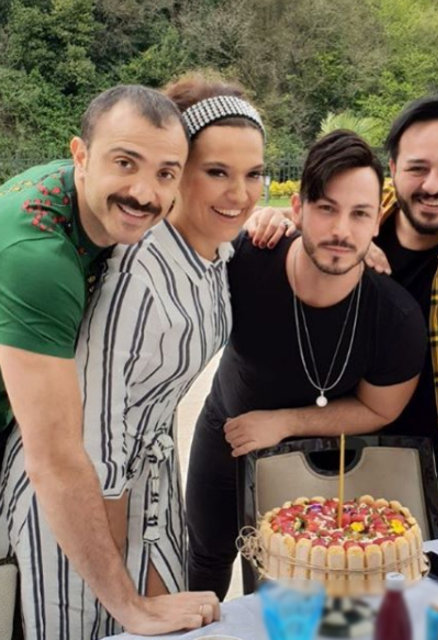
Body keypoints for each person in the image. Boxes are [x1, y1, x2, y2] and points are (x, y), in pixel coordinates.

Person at [1, 73, 266, 637]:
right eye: (217, 172)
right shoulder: (133, 271)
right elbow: (82, 446)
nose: (240, 194)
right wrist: (127, 594)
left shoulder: (209, 251)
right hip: (82, 501)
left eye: (253, 174)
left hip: (146, 488)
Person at [249, 94, 438, 533]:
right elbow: (311, 219)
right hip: (313, 447)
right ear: (393, 168)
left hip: (415, 462)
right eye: (417, 168)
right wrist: (274, 219)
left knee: (412, 574)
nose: (432, 185)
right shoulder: (364, 204)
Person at [186, 130, 428, 599]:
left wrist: (286, 422)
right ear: (296, 209)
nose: (342, 230)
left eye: (359, 214)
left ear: (376, 223)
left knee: (300, 581)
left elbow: (381, 408)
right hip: (228, 431)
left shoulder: (395, 317)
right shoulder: (245, 260)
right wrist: (255, 217)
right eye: (326, 209)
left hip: (324, 453)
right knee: (206, 559)